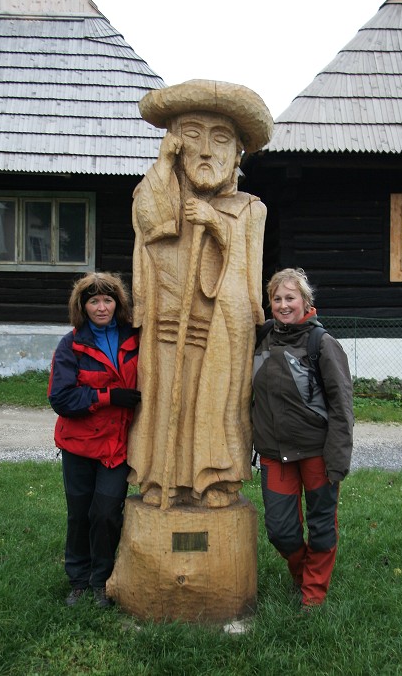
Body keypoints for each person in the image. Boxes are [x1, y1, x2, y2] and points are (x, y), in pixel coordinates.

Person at [128, 79, 273, 509]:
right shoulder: (157, 191)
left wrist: (214, 223)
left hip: (219, 332)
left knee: (215, 406)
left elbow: (247, 271)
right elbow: (153, 222)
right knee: (162, 400)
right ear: (174, 142)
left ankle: (216, 479)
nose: (206, 150)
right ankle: (159, 478)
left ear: (237, 154)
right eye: (192, 135)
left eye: (220, 138)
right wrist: (161, 164)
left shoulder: (249, 209)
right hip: (165, 327)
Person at [252, 267, 353, 611]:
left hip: (316, 453)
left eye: (290, 298)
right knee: (280, 530)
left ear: (305, 301)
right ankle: (302, 573)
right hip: (273, 451)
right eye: (277, 298)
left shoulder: (321, 343)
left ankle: (313, 593)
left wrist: (338, 457)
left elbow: (342, 406)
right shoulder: (264, 335)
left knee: (321, 524)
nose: (283, 305)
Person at [48, 272, 140, 607]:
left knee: (106, 513)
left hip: (117, 446)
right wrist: (107, 396)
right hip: (80, 445)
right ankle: (78, 580)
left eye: (107, 300)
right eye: (93, 301)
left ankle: (102, 579)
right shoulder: (72, 344)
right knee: (80, 513)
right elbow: (61, 398)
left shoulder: (135, 339)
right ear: (82, 306)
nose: (101, 307)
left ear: (118, 303)